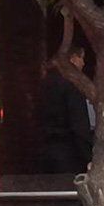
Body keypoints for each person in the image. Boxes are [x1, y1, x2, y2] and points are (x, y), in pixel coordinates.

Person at [39, 46, 95, 174]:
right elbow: (79, 124)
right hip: (69, 153)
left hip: (46, 149)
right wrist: (88, 155)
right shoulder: (72, 84)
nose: (83, 63)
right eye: (81, 58)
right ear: (73, 58)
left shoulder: (45, 82)